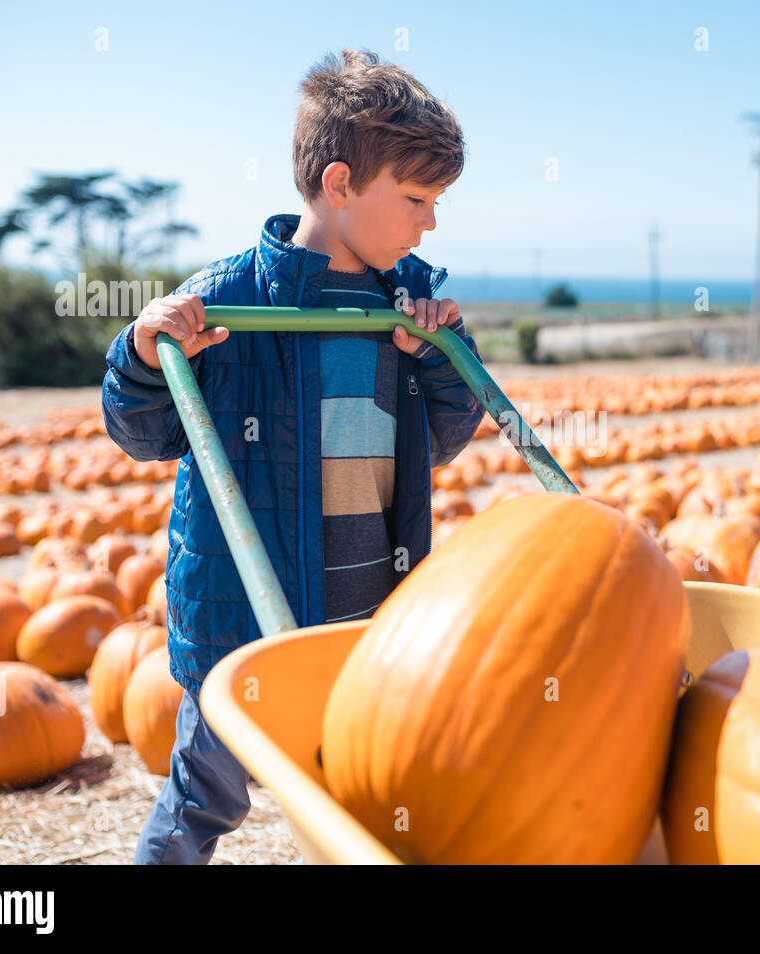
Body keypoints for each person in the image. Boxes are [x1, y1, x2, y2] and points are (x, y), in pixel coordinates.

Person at [101, 48, 483, 864]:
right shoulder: (230, 300)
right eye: (417, 198)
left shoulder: (406, 309)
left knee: (367, 789)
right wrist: (141, 349)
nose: (431, 221)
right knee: (206, 793)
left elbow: (444, 441)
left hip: (374, 613)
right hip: (247, 618)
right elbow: (142, 433)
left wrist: (442, 355)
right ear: (340, 183)